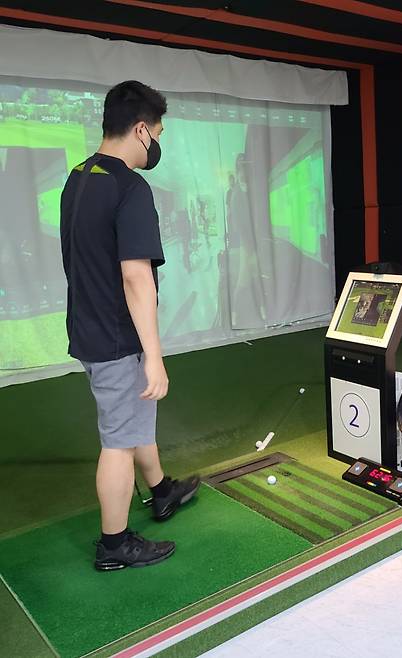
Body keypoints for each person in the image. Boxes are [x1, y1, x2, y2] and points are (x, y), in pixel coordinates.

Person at [60, 81, 200, 571]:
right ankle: (115, 544)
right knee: (117, 441)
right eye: (157, 132)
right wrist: (155, 357)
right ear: (141, 129)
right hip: (118, 338)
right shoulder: (128, 186)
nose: (157, 142)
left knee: (130, 418)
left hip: (90, 330)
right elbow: (137, 277)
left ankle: (160, 491)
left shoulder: (78, 178)